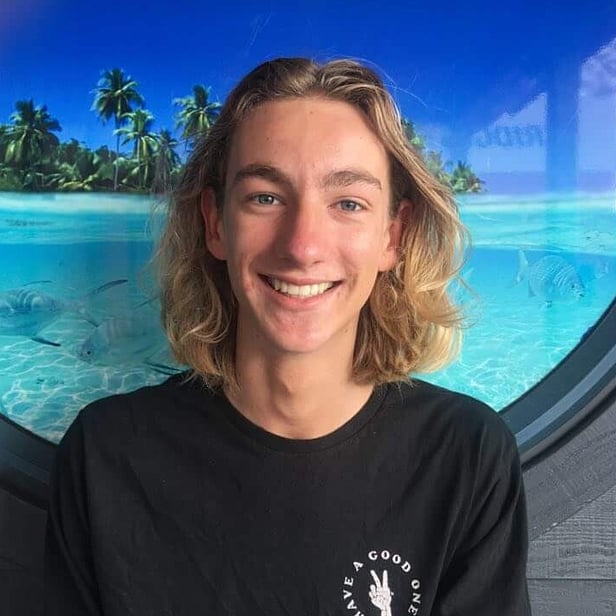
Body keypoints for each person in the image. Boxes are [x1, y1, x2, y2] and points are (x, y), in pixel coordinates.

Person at [44, 57, 531, 615]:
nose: (302, 246)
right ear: (215, 224)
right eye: (265, 197)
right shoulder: (104, 455)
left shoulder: (466, 457)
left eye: (348, 203)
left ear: (392, 237)